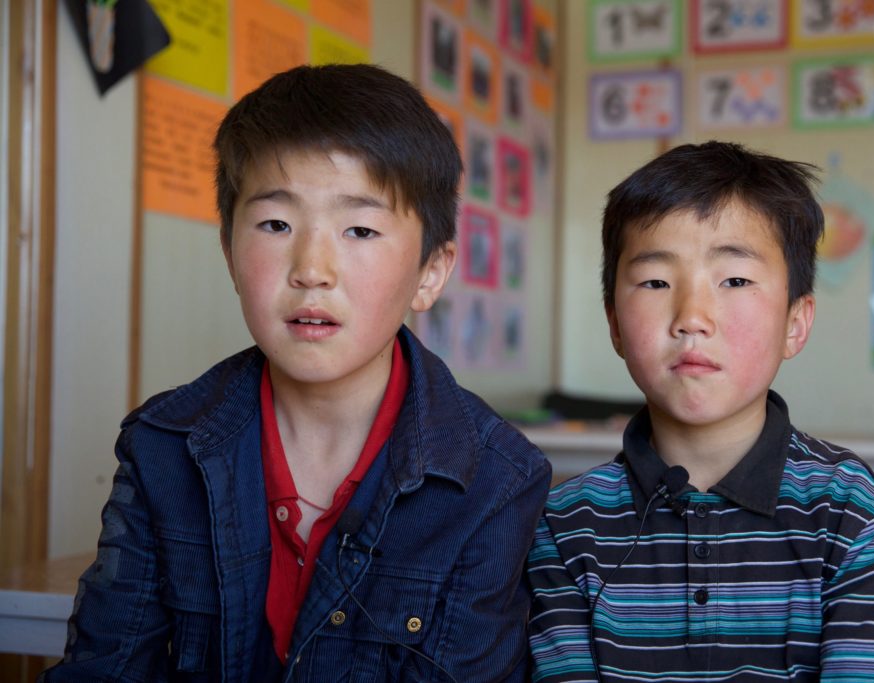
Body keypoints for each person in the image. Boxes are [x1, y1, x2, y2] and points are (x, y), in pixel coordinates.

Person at [43, 63, 551, 682]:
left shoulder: (497, 479)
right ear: (230, 251)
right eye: (276, 225)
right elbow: (105, 669)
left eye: (360, 229)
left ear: (431, 272)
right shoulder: (162, 445)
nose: (312, 268)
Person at [527, 142, 874, 681]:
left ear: (795, 322)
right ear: (616, 325)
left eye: (734, 280)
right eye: (655, 282)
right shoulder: (564, 527)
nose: (692, 317)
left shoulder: (859, 518)